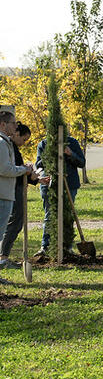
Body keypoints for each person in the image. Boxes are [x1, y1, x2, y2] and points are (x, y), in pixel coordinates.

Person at [0, 123, 46, 271]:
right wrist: (26, 171)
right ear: (17, 133)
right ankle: (3, 257)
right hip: (11, 190)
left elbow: (21, 171)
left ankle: (3, 256)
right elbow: (12, 171)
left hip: (16, 189)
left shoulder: (13, 148)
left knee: (16, 223)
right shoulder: (7, 146)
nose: (24, 143)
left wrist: (35, 178)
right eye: (24, 139)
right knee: (14, 223)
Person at [34, 129, 86, 259]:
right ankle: (45, 246)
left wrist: (70, 153)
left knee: (68, 214)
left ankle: (67, 246)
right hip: (49, 184)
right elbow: (38, 165)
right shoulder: (43, 144)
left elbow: (82, 162)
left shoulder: (72, 143)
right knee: (49, 214)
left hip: (70, 184)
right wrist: (49, 154)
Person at [0, 113, 34, 278]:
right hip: (4, 194)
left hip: (8, 193)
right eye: (13, 123)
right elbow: (5, 169)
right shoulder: (2, 144)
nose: (15, 126)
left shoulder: (6, 143)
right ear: (3, 125)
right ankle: (3, 259)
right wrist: (23, 170)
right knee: (6, 230)